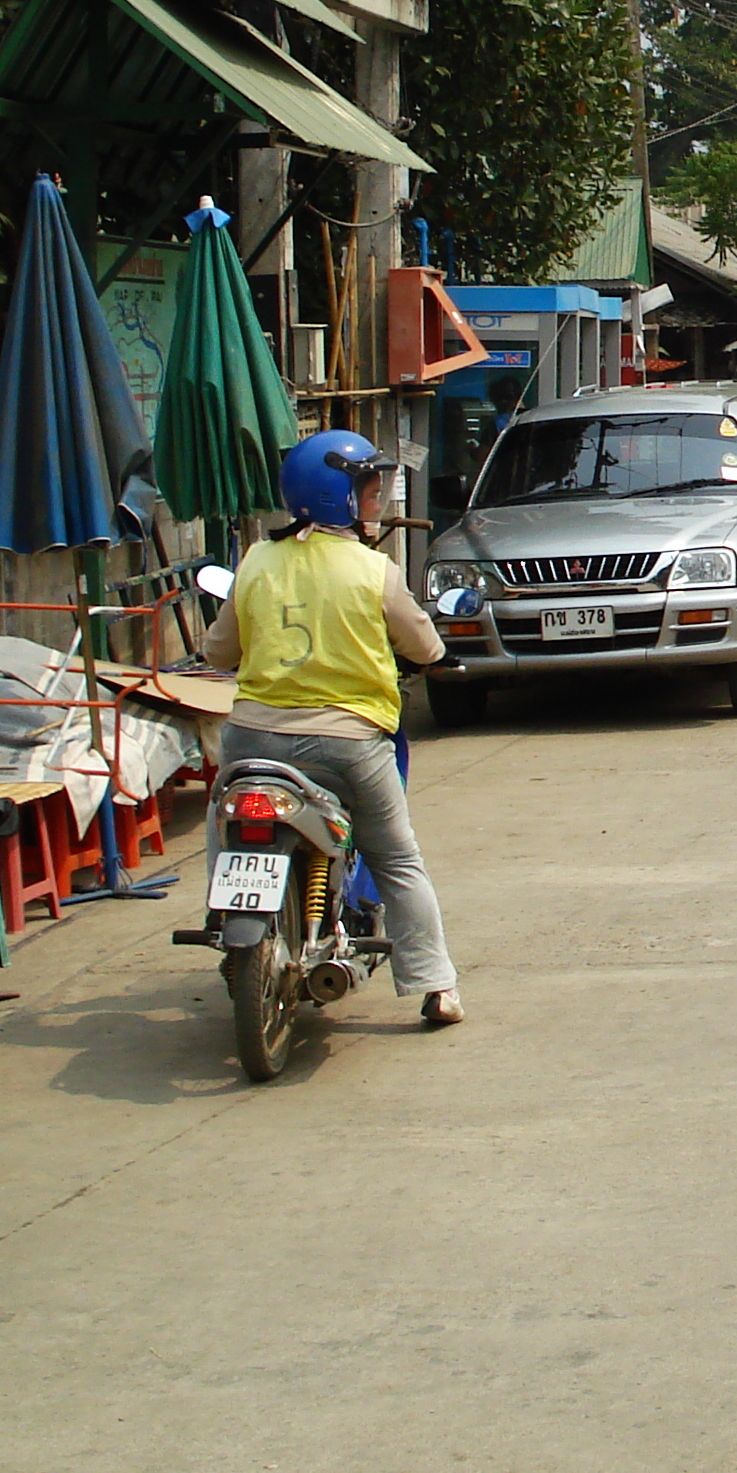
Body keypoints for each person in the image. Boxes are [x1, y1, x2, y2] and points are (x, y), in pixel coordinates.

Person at [205, 430, 463, 1026]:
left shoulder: (255, 562)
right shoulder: (374, 570)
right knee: (397, 859)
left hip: (252, 739)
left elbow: (219, 653)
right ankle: (434, 985)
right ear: (341, 501)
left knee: (225, 841)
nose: (377, 502)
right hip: (347, 743)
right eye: (370, 492)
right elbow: (424, 645)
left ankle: (227, 930)